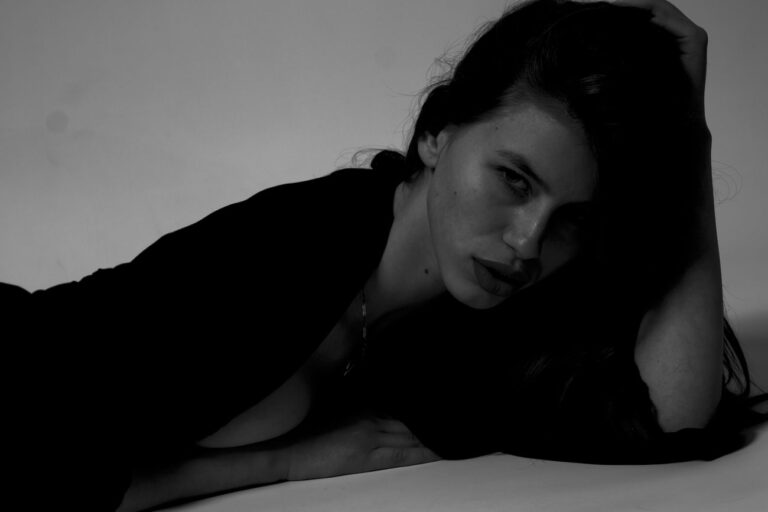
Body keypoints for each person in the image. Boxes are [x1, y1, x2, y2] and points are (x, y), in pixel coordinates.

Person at [1, 0, 766, 511]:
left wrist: (689, 140)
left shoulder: (480, 314)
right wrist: (282, 463)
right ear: (436, 135)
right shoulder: (290, 250)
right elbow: (37, 465)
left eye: (572, 219)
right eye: (513, 179)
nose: (529, 241)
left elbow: (672, 415)